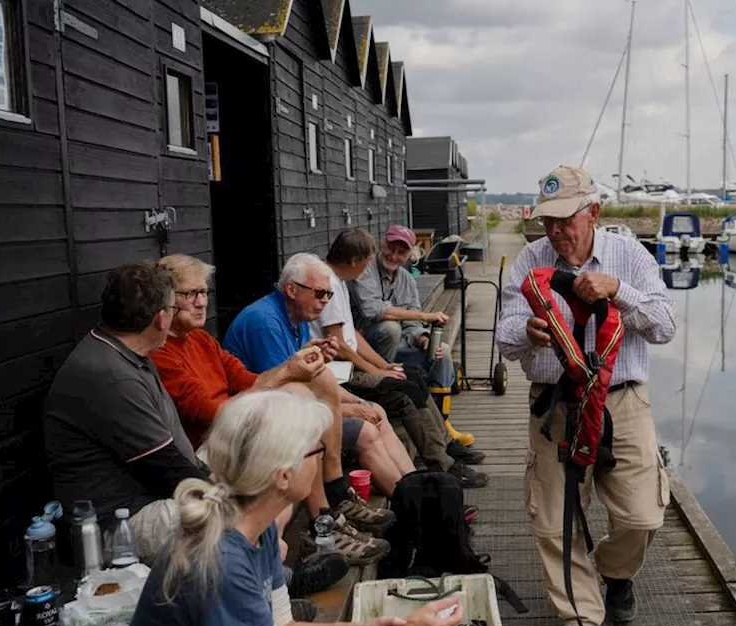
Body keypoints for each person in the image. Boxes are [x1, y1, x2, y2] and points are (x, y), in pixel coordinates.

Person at [102, 390, 463, 626]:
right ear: (284, 477)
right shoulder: (221, 558)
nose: (322, 457)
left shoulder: (255, 531)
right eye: (315, 451)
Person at [44, 262, 346, 601]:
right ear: (161, 318)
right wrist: (233, 491)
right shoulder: (112, 375)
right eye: (179, 304)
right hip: (122, 523)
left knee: (273, 463)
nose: (194, 306)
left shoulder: (127, 354)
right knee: (249, 503)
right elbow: (168, 469)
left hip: (158, 487)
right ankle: (276, 588)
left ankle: (276, 569)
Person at [496, 165, 677, 626]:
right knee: (554, 520)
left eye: (564, 220)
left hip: (622, 398)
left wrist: (617, 290)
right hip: (556, 403)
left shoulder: (629, 256)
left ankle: (615, 573)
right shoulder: (530, 260)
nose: (554, 232)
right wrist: (526, 332)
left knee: (643, 516)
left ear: (593, 212)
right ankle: (578, 616)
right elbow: (505, 333)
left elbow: (664, 326)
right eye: (546, 221)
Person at [152, 254, 405, 565]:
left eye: (204, 292)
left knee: (314, 387)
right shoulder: (164, 353)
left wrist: (296, 365)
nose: (201, 302)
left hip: (234, 427)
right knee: (302, 415)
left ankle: (336, 506)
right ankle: (328, 517)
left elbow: (247, 379)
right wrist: (290, 372)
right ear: (165, 301)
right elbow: (212, 413)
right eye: (190, 294)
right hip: (210, 449)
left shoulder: (201, 340)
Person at [294, 241, 489, 490]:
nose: (367, 268)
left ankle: (446, 445)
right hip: (341, 374)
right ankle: (442, 465)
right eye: (366, 262)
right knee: (404, 390)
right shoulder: (327, 285)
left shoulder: (336, 282)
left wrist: (384, 365)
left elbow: (352, 335)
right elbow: (340, 345)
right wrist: (376, 371)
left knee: (412, 377)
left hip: (349, 367)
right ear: (355, 262)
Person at [347, 225, 474, 446]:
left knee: (441, 353)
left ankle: (443, 424)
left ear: (410, 254)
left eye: (401, 252)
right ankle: (385, 395)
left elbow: (412, 325)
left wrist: (423, 340)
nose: (394, 256)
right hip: (363, 351)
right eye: (390, 248)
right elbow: (373, 311)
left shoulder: (406, 279)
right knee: (390, 328)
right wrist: (424, 315)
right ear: (383, 243)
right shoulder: (363, 271)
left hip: (397, 349)